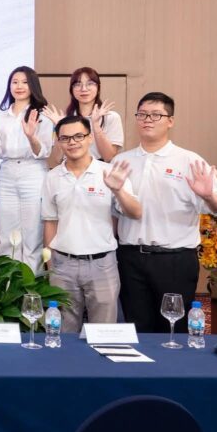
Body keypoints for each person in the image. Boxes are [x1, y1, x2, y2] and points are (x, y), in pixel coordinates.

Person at [113, 92, 217, 333]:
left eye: (156, 115)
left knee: (173, 329)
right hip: (130, 258)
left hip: (175, 260)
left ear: (170, 121)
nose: (148, 119)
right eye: (142, 114)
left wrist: (208, 195)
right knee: (136, 328)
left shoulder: (188, 160)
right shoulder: (122, 161)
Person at [42, 115, 141, 332]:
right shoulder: (52, 177)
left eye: (79, 136)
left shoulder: (109, 172)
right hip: (63, 266)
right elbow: (50, 222)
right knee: (64, 334)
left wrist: (117, 190)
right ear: (59, 142)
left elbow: (136, 212)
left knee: (103, 334)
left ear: (90, 138)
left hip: (102, 264)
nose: (72, 142)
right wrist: (50, 267)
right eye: (65, 138)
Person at [0, 66, 53, 270]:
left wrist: (31, 136)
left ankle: (31, 283)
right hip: (7, 172)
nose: (19, 86)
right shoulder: (1, 116)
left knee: (32, 234)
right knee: (8, 234)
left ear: (33, 85)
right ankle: (8, 283)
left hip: (33, 172)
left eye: (25, 82)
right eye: (15, 82)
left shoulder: (42, 115)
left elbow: (44, 151)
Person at [45, 67, 124, 166]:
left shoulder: (111, 117)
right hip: (70, 169)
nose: (84, 89)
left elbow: (109, 157)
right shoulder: (64, 119)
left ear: (98, 88)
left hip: (99, 170)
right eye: (78, 84)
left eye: (90, 84)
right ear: (71, 90)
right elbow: (57, 159)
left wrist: (96, 125)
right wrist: (59, 127)